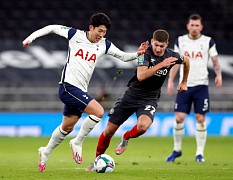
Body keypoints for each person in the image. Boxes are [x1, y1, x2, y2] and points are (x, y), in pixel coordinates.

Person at [22, 12, 149, 172]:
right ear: (91, 27)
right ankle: (78, 142)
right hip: (68, 87)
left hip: (80, 90)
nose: (101, 35)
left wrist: (137, 54)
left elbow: (123, 57)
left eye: (104, 32)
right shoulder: (75, 35)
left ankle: (45, 151)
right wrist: (30, 38)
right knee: (98, 111)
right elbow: (52, 28)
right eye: (99, 31)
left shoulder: (104, 44)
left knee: (67, 127)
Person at [86, 29, 190, 171]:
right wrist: (161, 64)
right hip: (131, 95)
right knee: (108, 131)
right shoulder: (145, 54)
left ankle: (126, 137)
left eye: (162, 46)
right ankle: (96, 160)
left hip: (150, 98)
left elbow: (187, 60)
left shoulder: (172, 56)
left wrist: (184, 81)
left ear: (166, 44)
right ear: (152, 42)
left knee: (143, 127)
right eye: (156, 45)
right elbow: (141, 76)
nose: (158, 49)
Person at [166, 14, 222, 162]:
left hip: (201, 85)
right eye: (192, 25)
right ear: (188, 26)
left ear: (201, 27)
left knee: (200, 118)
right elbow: (175, 62)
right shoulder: (180, 40)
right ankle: (177, 150)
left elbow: (215, 60)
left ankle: (199, 153)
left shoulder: (208, 41)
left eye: (197, 25)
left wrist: (219, 75)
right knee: (179, 118)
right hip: (184, 85)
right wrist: (171, 80)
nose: (195, 28)